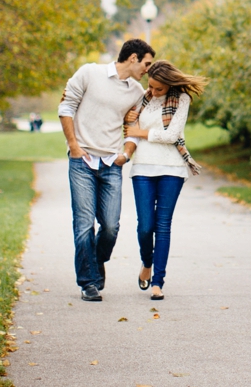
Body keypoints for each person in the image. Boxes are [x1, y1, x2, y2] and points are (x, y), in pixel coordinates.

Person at [58, 38, 154, 301]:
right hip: (82, 161)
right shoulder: (90, 72)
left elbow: (133, 131)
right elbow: (66, 107)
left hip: (112, 164)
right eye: (146, 63)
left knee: (111, 226)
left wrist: (126, 154)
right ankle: (88, 282)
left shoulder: (136, 92)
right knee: (83, 224)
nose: (147, 69)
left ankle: (96, 258)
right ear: (133, 58)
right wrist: (73, 146)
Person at [121, 61, 207, 301]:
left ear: (170, 85)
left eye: (159, 89)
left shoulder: (182, 100)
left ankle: (158, 281)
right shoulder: (142, 99)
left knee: (163, 226)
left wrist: (140, 132)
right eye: (151, 86)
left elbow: (172, 136)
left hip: (172, 168)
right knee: (145, 226)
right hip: (142, 169)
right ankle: (146, 262)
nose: (154, 92)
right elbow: (128, 124)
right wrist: (130, 124)